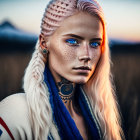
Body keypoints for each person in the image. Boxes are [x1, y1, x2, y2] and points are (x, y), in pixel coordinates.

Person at [0, 0, 124, 140]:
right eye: (72, 41)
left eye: (95, 43)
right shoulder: (16, 112)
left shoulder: (101, 117)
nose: (87, 55)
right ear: (44, 42)